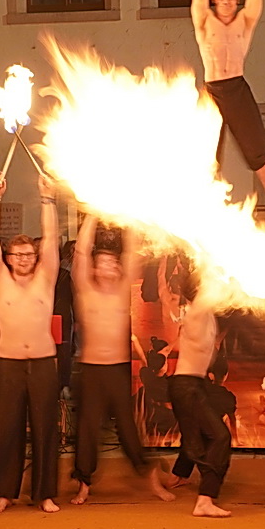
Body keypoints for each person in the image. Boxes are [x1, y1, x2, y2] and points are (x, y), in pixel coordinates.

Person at [0, 176, 62, 514]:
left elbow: (51, 238)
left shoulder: (45, 276)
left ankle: (45, 493)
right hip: (9, 364)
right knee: (6, 427)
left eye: (29, 254)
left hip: (42, 364)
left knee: (44, 429)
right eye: (18, 254)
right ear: (8, 257)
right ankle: (3, 491)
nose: (25, 258)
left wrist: (47, 199)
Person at [69, 215, 164, 505]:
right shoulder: (86, 292)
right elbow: (82, 251)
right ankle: (84, 483)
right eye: (102, 262)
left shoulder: (124, 291)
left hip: (118, 370)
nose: (107, 265)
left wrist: (130, 214)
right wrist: (93, 214)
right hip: (91, 369)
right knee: (87, 427)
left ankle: (148, 475)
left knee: (126, 425)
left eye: (113, 262)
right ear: (94, 269)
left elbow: (131, 250)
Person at [190, 0, 265, 215]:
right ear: (215, 0)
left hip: (236, 87)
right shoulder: (204, 20)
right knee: (204, 153)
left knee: (256, 145)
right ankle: (198, 205)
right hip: (213, 90)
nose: (229, 2)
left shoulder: (245, 21)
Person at [161, 263, 235, 518]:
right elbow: (207, 291)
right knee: (220, 437)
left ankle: (179, 477)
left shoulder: (209, 317)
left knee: (199, 438)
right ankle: (205, 499)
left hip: (196, 384)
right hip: (185, 386)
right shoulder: (196, 313)